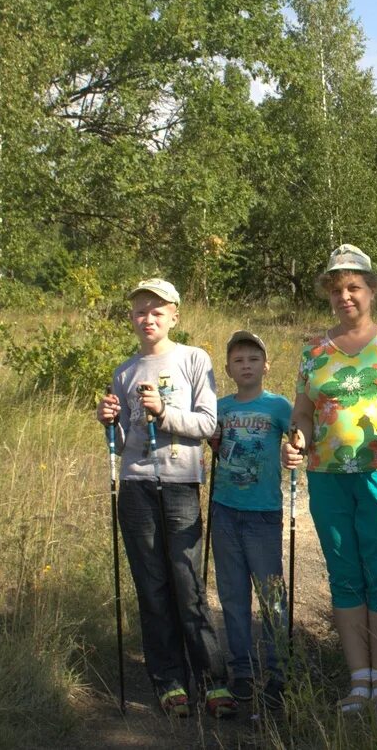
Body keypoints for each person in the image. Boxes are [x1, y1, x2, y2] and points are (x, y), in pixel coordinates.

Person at [281, 244, 377, 713]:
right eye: (337, 289)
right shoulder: (313, 353)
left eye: (354, 287)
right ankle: (358, 682)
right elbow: (302, 413)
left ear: (372, 291)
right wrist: (297, 439)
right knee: (344, 576)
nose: (346, 296)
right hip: (326, 477)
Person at [96, 278, 236, 718]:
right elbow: (121, 442)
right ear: (131, 318)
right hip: (135, 485)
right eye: (140, 311)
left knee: (187, 583)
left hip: (180, 484)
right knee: (152, 588)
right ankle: (168, 679)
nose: (148, 318)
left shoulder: (194, 359)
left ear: (175, 315)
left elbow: (208, 424)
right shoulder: (124, 371)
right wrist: (109, 422)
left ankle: (212, 680)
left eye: (157, 311)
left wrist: (163, 412)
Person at [208, 331, 292, 709]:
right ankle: (241, 669)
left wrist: (298, 448)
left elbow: (301, 437)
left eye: (253, 359)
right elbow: (208, 443)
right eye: (238, 360)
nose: (246, 366)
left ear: (266, 366)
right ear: (228, 369)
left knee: (271, 594)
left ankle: (279, 672)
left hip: (263, 513)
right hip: (224, 509)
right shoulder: (220, 406)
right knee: (232, 594)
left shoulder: (278, 406)